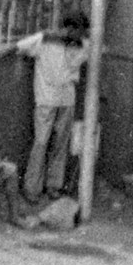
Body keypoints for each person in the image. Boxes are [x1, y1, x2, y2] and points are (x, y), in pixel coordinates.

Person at [14, 14, 91, 199]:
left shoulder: (82, 45)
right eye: (78, 31)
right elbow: (19, 47)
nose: (81, 35)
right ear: (70, 28)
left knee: (60, 145)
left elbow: (93, 45)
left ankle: (53, 186)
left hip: (67, 99)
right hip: (46, 98)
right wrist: (49, 35)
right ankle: (32, 188)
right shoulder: (44, 40)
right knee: (41, 143)